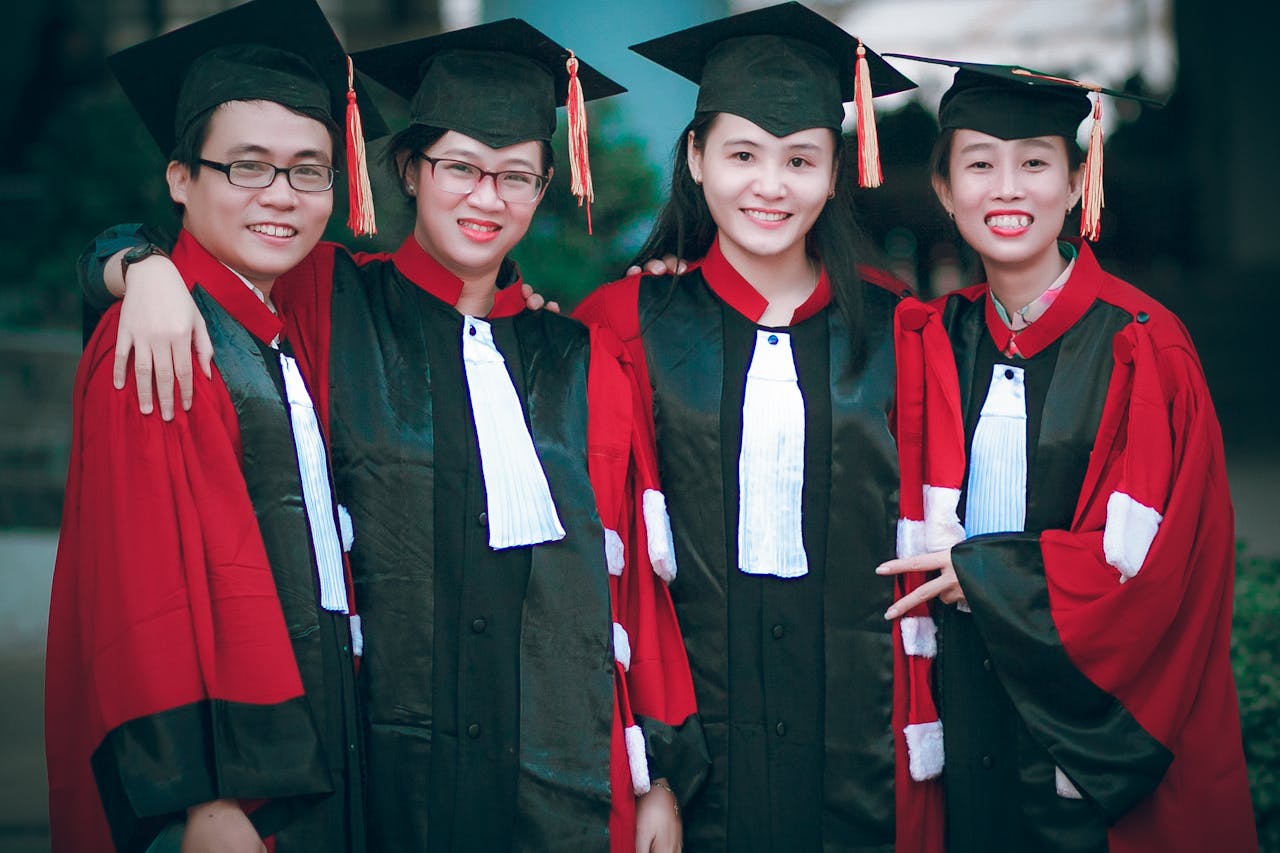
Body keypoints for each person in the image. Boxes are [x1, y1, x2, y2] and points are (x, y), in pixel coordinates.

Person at [75, 18, 708, 853]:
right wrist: (134, 264)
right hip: (379, 784)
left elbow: (631, 582)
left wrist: (657, 771)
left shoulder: (584, 360)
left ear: (547, 183)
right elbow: (226, 254)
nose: (487, 197)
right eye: (459, 168)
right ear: (409, 168)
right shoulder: (332, 301)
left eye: (516, 175)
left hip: (560, 787)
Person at [574, 3, 957, 850]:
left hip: (862, 750)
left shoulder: (902, 330)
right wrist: (646, 773)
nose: (770, 186)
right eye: (742, 154)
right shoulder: (624, 324)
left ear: (835, 171)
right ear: (697, 159)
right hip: (694, 755)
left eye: (800, 159)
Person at [875, 55, 1258, 852]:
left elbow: (1170, 573)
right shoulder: (927, 339)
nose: (1007, 188)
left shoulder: (1146, 350)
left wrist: (986, 573)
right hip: (964, 722)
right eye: (979, 164)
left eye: (1036, 163)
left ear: (1080, 181)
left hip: (1091, 749)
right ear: (945, 190)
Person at [45, 0, 387, 851]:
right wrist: (202, 802)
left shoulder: (298, 312)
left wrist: (127, 260)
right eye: (247, 166)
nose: (281, 196)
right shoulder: (158, 343)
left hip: (321, 740)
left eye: (309, 170)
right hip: (235, 787)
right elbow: (140, 594)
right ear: (179, 178)